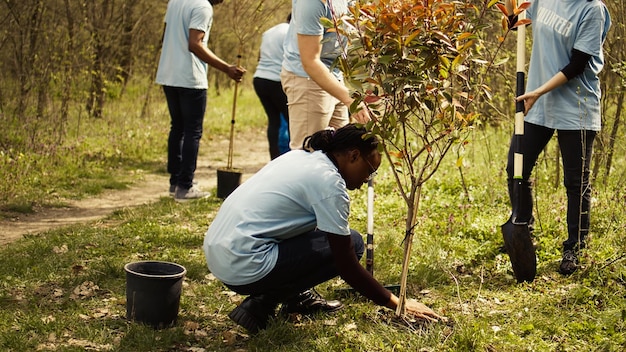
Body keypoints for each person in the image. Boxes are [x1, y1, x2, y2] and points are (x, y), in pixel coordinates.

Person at [203, 124, 443, 334]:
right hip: (243, 264)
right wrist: (397, 302)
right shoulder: (329, 183)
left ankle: (291, 298)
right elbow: (346, 264)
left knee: (334, 238)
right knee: (354, 243)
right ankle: (264, 303)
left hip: (219, 252)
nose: (368, 180)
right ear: (353, 156)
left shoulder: (302, 157)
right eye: (370, 171)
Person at [506, 0, 611, 275]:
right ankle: (522, 233)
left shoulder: (592, 9)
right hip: (538, 102)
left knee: (576, 183)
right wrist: (510, 14)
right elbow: (517, 18)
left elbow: (577, 64)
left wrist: (538, 91)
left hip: (577, 106)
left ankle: (574, 248)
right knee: (516, 168)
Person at [156, 0, 246, 202]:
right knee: (192, 131)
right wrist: (227, 69)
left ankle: (175, 182)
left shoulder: (175, 2)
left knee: (177, 128)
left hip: (168, 74)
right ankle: (185, 186)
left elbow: (165, 36)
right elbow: (194, 44)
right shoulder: (202, 7)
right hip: (189, 78)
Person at [280, 0, 371, 151]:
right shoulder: (311, 3)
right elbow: (310, 61)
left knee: (341, 151)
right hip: (307, 78)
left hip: (335, 75)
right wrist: (350, 100)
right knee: (308, 152)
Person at [253, 15, 291, 160]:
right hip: (277, 80)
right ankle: (291, 160)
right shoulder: (291, 32)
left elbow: (259, 57)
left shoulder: (269, 31)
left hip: (259, 79)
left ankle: (274, 159)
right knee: (293, 121)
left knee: (274, 121)